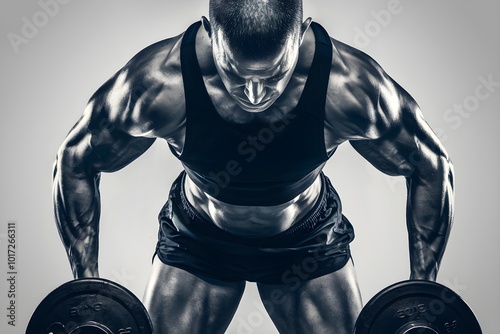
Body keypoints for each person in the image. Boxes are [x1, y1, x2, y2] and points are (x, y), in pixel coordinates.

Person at [52, 0, 454, 333]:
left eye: (274, 75)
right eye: (237, 75)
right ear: (210, 34)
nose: (256, 93)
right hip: (199, 240)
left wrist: (421, 295)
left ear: (302, 33)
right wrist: (87, 292)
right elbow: (77, 158)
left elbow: (429, 165)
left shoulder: (349, 88)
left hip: (306, 242)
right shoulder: (158, 85)